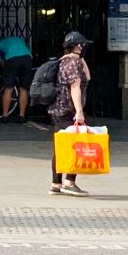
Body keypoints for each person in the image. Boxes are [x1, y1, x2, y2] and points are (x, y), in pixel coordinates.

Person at [48, 31, 92, 196]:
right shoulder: (73, 63)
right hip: (69, 111)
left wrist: (80, 58)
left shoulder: (65, 61)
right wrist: (79, 111)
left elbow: (88, 76)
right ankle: (69, 182)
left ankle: (56, 184)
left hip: (58, 110)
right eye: (82, 44)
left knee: (60, 147)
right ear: (78, 45)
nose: (84, 47)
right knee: (76, 146)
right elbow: (75, 87)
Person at [0, 33, 34, 123]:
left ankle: (5, 116)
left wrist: (1, 61)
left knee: (8, 88)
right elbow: (26, 49)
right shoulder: (20, 40)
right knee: (24, 89)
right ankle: (22, 116)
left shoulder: (1, 43)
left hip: (12, 59)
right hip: (27, 58)